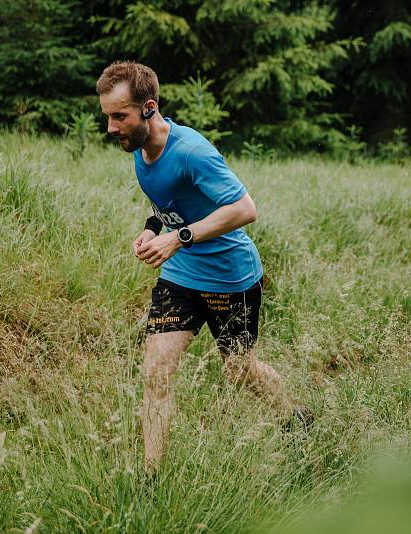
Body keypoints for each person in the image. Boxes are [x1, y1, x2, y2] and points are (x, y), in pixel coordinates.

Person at [96, 61, 312, 472]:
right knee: (156, 371)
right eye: (108, 116)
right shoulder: (140, 148)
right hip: (181, 276)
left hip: (232, 277)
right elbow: (170, 202)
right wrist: (152, 227)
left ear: (149, 107)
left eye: (118, 116)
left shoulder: (193, 151)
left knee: (239, 370)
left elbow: (246, 209)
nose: (111, 127)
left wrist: (178, 238)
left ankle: (294, 416)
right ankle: (150, 477)